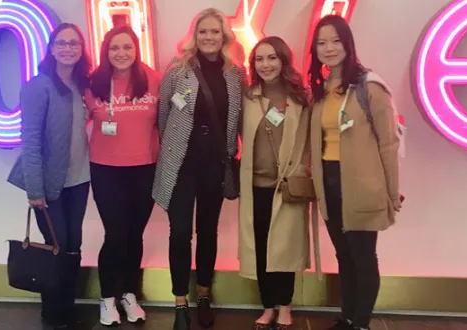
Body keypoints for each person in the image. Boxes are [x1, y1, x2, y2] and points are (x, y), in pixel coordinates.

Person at [152, 8, 244, 330]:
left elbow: (238, 119)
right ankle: (180, 301)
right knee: (179, 233)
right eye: (203, 31)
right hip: (181, 166)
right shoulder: (177, 70)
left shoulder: (236, 73)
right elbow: (163, 117)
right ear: (194, 34)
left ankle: (203, 294)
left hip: (215, 165)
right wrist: (174, 148)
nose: (209, 37)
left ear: (225, 36)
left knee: (208, 232)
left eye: (215, 32)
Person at [307, 15, 402, 330]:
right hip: (330, 182)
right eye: (322, 42)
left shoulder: (369, 87)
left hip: (362, 184)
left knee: (363, 258)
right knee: (343, 256)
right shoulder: (323, 89)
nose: (329, 48)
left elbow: (389, 144)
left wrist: (391, 191)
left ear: (348, 44)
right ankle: (347, 317)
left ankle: (361, 322)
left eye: (335, 41)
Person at [7, 23, 92, 329]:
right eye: (62, 43)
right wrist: (34, 190)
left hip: (80, 181)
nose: (68, 48)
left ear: (81, 50)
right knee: (56, 249)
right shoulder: (38, 86)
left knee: (73, 247)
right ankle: (53, 314)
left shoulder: (82, 86)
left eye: (74, 43)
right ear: (52, 48)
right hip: (48, 184)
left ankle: (67, 310)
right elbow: (29, 141)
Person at [237, 36, 318, 330]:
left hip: (287, 187)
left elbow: (311, 142)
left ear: (283, 60)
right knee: (261, 248)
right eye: (259, 59)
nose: (266, 64)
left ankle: (286, 306)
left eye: (272, 58)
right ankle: (267, 306)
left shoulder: (300, 98)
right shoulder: (249, 97)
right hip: (256, 186)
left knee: (284, 250)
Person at [84, 25, 161, 326]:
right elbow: (78, 120)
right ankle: (107, 298)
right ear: (106, 51)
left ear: (136, 49)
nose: (121, 53)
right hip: (105, 170)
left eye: (127, 47)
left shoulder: (153, 79)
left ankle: (129, 294)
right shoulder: (94, 83)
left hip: (145, 168)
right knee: (115, 235)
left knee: (134, 235)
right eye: (115, 48)